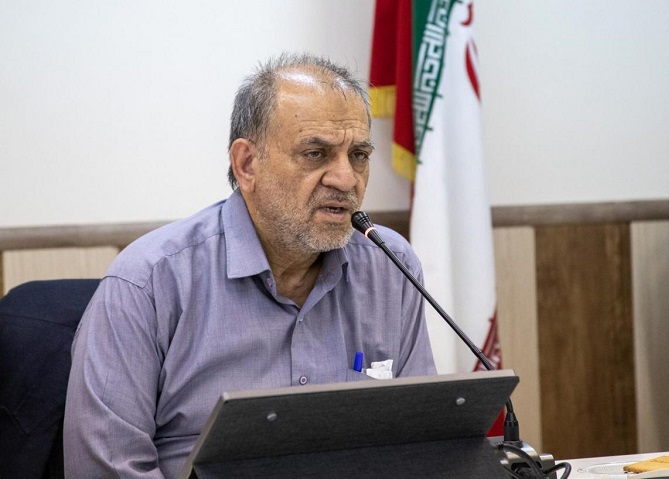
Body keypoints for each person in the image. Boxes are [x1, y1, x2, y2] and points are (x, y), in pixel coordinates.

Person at [63, 53, 436, 478]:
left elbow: (422, 442)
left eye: (359, 155)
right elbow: (106, 469)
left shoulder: (390, 265)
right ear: (247, 164)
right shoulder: (147, 282)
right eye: (316, 153)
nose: (346, 179)